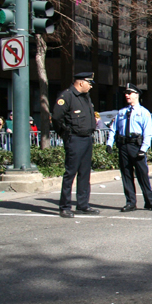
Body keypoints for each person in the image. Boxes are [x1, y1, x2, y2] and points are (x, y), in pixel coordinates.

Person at [106, 83, 152, 212]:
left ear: (136, 95)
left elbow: (148, 132)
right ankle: (131, 202)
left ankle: (150, 201)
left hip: (136, 146)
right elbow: (113, 129)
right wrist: (109, 143)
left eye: (129, 93)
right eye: (126, 93)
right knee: (126, 175)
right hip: (123, 145)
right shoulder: (121, 112)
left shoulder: (144, 113)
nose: (127, 95)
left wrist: (143, 149)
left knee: (142, 175)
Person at [52, 72, 99, 218]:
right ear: (81, 83)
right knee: (70, 173)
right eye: (89, 83)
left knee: (85, 173)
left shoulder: (85, 97)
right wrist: (65, 133)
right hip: (74, 139)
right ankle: (65, 206)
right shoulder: (67, 96)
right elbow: (57, 118)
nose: (90, 86)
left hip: (86, 138)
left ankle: (83, 205)